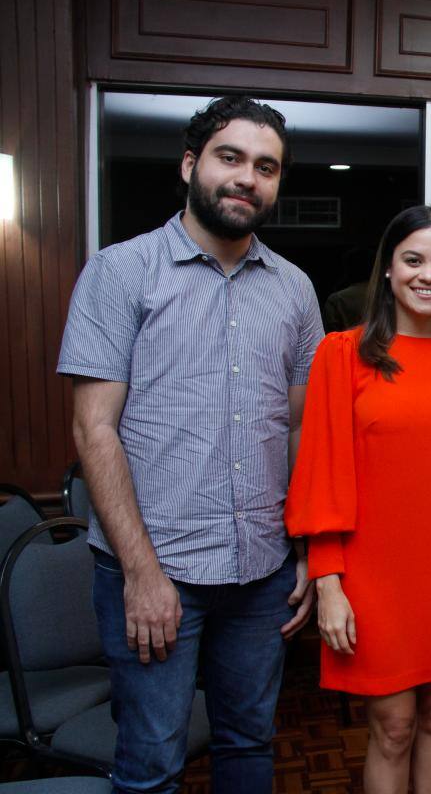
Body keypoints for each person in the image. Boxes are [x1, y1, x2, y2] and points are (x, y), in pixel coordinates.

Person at [57, 96, 322, 793]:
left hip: (261, 572)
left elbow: (297, 430)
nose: (247, 178)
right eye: (230, 157)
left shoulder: (294, 290)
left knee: (249, 746)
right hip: (157, 567)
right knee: (151, 765)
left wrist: (303, 548)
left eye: (266, 167)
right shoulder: (120, 273)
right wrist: (142, 573)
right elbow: (94, 430)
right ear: (190, 165)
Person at [285, 204, 431, 794]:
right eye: (414, 260)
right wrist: (329, 581)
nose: (428, 275)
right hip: (373, 575)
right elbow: (321, 474)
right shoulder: (343, 354)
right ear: (388, 268)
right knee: (392, 726)